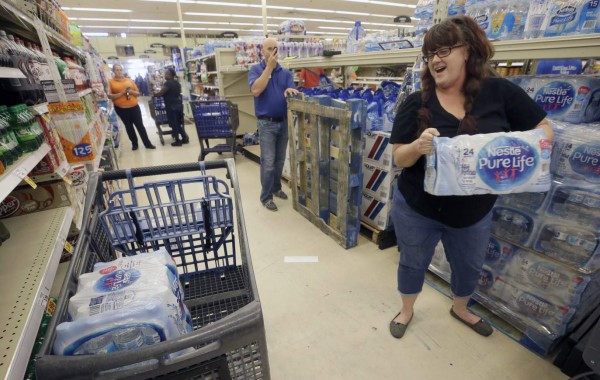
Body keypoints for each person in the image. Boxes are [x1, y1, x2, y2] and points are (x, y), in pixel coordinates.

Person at [388, 16, 554, 339]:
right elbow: (398, 157)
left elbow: (543, 128)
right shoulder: (415, 103)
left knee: (469, 267)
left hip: (473, 213)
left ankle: (460, 307)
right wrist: (419, 147)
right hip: (418, 209)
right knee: (412, 261)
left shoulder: (499, 93)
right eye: (430, 54)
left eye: (444, 50)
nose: (436, 59)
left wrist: (529, 151)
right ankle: (406, 310)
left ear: (466, 52)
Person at [248, 38, 299, 211]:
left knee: (279, 161)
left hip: (283, 123)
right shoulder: (256, 70)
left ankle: (276, 189)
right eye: (270, 49)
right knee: (268, 162)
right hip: (266, 124)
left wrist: (290, 92)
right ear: (262, 50)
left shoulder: (285, 73)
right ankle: (266, 196)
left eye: (276, 49)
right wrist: (269, 67)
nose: (274, 52)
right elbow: (256, 90)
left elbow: (292, 90)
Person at [108, 64, 156, 150]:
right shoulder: (111, 82)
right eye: (117, 70)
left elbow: (138, 93)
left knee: (140, 125)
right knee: (129, 126)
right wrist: (121, 93)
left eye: (120, 70)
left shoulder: (129, 80)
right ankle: (134, 144)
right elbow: (110, 96)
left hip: (134, 107)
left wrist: (131, 92)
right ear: (113, 71)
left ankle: (147, 143)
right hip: (121, 109)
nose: (119, 72)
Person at [154, 67, 189, 146]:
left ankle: (177, 140)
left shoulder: (167, 83)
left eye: (167, 74)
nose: (165, 75)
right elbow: (178, 92)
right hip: (178, 105)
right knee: (177, 123)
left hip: (171, 106)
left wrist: (154, 94)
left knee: (174, 123)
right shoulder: (177, 82)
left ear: (172, 75)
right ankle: (185, 138)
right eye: (165, 73)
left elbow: (160, 93)